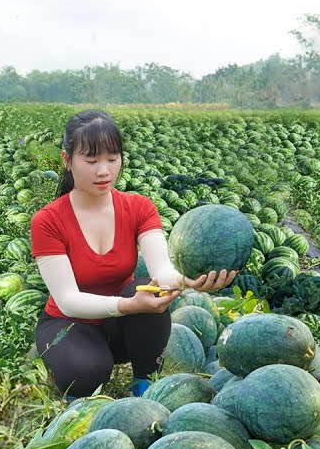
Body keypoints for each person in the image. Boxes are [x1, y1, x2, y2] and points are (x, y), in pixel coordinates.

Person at [29, 110, 236, 399]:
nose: (104, 171)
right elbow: (68, 300)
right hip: (68, 322)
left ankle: (145, 387)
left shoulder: (139, 207)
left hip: (121, 328)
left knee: (148, 290)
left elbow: (162, 271)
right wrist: (128, 305)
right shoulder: (48, 220)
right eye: (91, 160)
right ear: (67, 161)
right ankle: (80, 380)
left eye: (112, 159)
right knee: (88, 370)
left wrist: (189, 280)